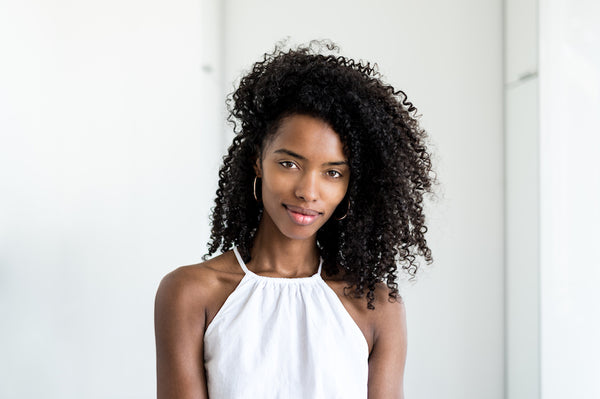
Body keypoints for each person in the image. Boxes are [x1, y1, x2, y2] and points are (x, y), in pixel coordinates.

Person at [154, 40, 434, 399]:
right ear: (258, 160)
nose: (308, 191)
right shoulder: (191, 293)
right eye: (289, 164)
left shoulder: (376, 306)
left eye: (333, 173)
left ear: (351, 184)